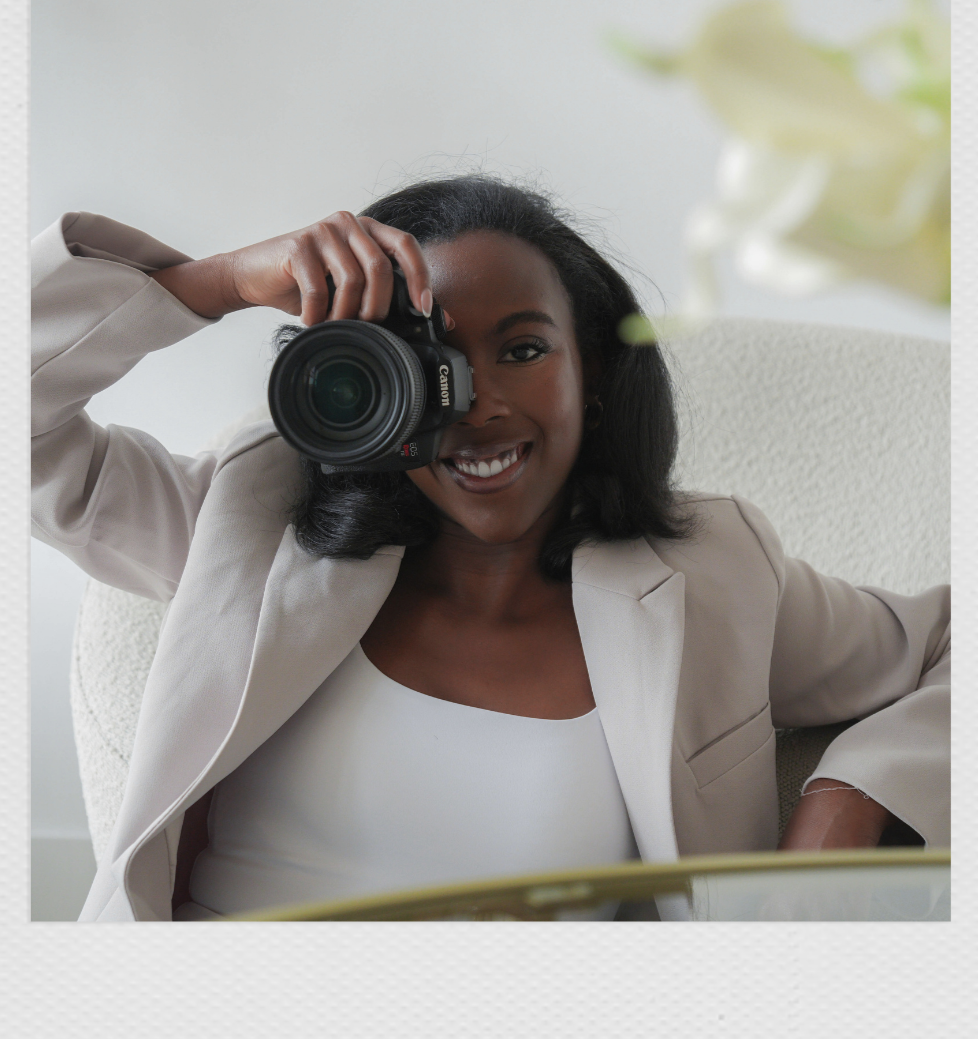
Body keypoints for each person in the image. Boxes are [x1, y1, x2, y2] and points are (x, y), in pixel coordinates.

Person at [31, 175, 950, 923]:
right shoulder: (250, 520)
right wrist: (219, 281)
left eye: (522, 350)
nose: (473, 403)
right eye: (427, 360)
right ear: (374, 383)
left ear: (591, 378)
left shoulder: (710, 576)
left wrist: (850, 801)